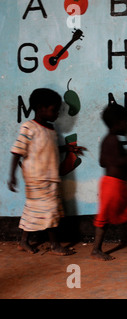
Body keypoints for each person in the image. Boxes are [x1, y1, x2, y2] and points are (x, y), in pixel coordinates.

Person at [8, 88, 85, 255]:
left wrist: (67, 148)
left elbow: (49, 148)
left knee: (33, 210)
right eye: (54, 110)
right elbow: (17, 151)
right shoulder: (29, 127)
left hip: (50, 178)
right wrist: (12, 175)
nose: (57, 113)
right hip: (37, 179)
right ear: (41, 108)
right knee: (50, 211)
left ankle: (23, 241)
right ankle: (55, 245)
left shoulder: (50, 130)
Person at [91, 102, 127, 261]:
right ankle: (96, 249)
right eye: (126, 122)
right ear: (117, 123)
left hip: (118, 185)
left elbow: (103, 162)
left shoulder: (109, 140)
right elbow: (118, 162)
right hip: (112, 185)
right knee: (103, 218)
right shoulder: (112, 140)